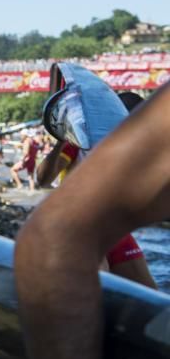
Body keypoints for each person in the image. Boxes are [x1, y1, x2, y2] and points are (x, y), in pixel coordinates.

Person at [14, 83, 170, 359]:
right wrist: (60, 142)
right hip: (93, 227)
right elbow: (42, 182)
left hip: (116, 233)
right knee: (94, 311)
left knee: (152, 306)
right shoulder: (76, 142)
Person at [34, 91, 157, 289]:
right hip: (79, 226)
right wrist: (61, 139)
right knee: (101, 290)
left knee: (151, 297)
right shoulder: (81, 139)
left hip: (113, 229)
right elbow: (42, 180)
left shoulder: (134, 151)